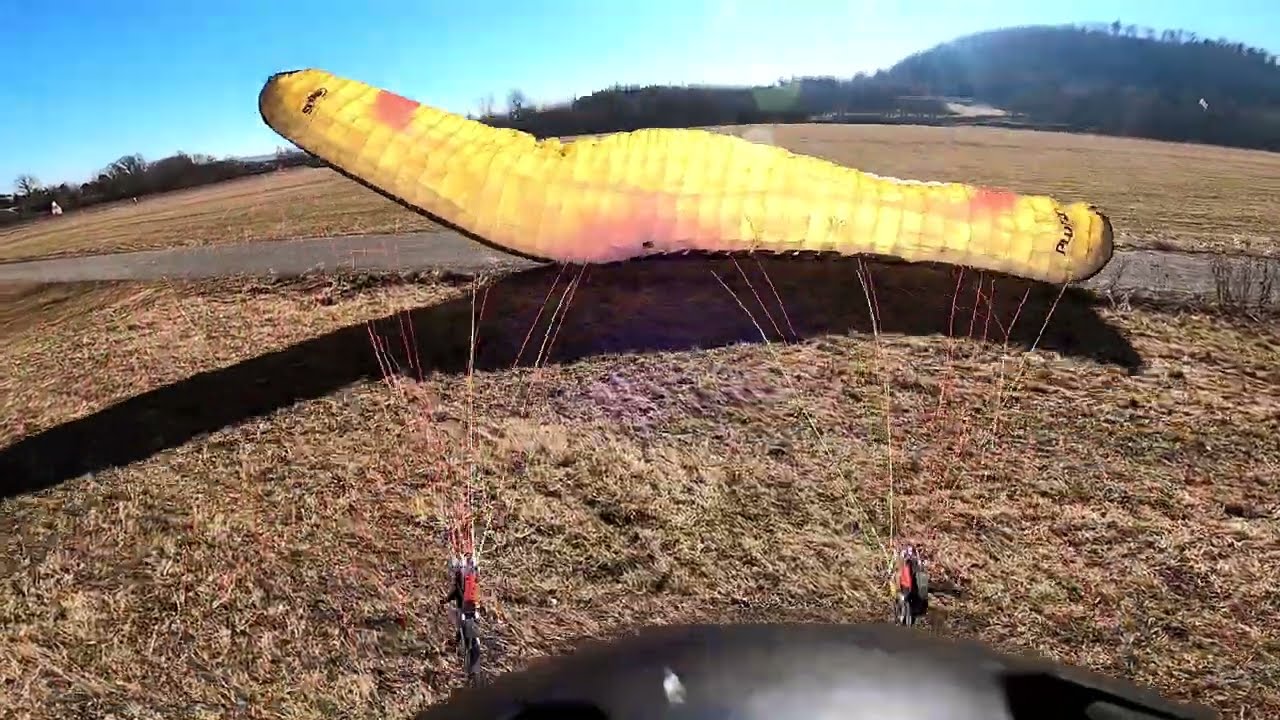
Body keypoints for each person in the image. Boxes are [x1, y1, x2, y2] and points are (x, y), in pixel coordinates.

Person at [443, 556, 481, 680]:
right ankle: (474, 668)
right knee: (474, 641)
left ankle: (457, 645)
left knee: (463, 632)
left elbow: (453, 593)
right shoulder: (473, 576)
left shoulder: (460, 579)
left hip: (463, 611)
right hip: (473, 611)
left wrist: (444, 600)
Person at [894, 544, 929, 626]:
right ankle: (902, 616)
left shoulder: (911, 562)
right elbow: (898, 575)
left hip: (909, 586)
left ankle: (903, 617)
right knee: (904, 600)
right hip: (906, 586)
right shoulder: (906, 563)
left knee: (906, 601)